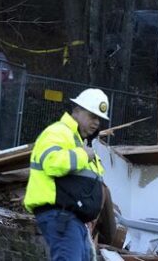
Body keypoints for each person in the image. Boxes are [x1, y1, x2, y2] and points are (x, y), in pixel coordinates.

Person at [24, 88, 110, 261]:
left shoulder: (77, 140)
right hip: (61, 216)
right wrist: (83, 155)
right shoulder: (58, 132)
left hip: (73, 219)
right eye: (92, 116)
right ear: (77, 111)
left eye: (98, 119)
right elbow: (52, 163)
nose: (96, 123)